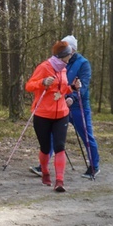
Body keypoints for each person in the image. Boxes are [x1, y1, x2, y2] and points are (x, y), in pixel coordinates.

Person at [28, 35, 99, 178]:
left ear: (72, 49)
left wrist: (72, 98)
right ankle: (44, 166)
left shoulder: (83, 63)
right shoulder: (59, 62)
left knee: (86, 135)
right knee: (54, 137)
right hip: (59, 105)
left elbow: (82, 85)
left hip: (78, 106)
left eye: (67, 48)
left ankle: (94, 166)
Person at [24, 39, 81, 193]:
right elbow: (29, 86)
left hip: (61, 114)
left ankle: (60, 181)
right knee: (45, 147)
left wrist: (72, 88)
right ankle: (45, 172)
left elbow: (62, 90)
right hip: (42, 114)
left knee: (60, 147)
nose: (71, 57)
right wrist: (42, 82)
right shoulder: (44, 67)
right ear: (63, 56)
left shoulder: (63, 69)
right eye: (69, 54)